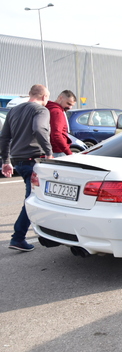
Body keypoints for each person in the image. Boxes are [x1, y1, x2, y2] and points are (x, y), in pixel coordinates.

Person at [0, 84, 53, 252]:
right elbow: (39, 128)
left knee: (36, 197)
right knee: (34, 199)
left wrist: (5, 160)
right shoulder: (41, 110)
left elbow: (5, 137)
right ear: (44, 97)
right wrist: (49, 152)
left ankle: (40, 232)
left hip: (18, 160)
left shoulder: (13, 111)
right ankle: (19, 237)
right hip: (33, 160)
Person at [46, 90, 77, 157]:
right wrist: (68, 153)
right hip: (58, 150)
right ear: (60, 98)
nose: (70, 107)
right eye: (68, 103)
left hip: (50, 149)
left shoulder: (48, 108)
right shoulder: (57, 112)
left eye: (72, 105)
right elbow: (56, 134)